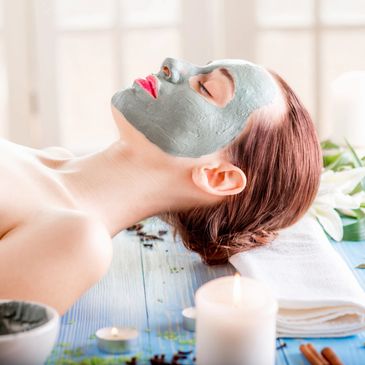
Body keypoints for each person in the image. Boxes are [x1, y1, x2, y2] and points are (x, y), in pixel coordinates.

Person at [0, 58, 322, 315]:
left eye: (206, 88)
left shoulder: (77, 242)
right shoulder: (55, 160)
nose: (172, 65)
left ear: (217, 177)